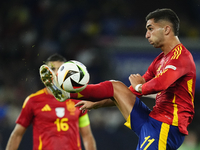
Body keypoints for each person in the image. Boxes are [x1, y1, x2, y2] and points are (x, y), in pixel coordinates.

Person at [39, 8, 196, 150]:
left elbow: (160, 84)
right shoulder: (160, 60)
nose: (147, 34)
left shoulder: (181, 57)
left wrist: (140, 87)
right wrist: (96, 104)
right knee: (116, 87)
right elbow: (131, 92)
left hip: (167, 127)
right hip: (153, 120)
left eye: (150, 29)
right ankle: (67, 93)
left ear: (167, 29)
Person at [6, 54, 97, 150]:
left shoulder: (77, 100)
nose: (56, 73)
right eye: (52, 69)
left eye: (60, 69)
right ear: (45, 73)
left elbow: (87, 135)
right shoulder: (33, 101)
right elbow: (17, 134)